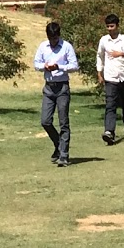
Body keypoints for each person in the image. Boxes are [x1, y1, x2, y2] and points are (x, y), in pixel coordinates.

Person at [35, 19, 79, 166]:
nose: (53, 42)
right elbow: (36, 63)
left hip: (62, 88)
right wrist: (44, 66)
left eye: (55, 38)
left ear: (58, 36)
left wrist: (59, 67)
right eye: (50, 38)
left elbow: (74, 66)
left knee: (63, 122)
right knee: (45, 121)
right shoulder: (43, 47)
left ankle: (64, 155)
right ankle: (58, 144)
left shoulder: (66, 47)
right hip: (48, 87)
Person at [96, 12, 124, 143]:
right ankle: (109, 132)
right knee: (110, 105)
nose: (110, 29)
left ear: (117, 26)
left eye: (112, 26)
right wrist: (99, 72)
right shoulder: (104, 40)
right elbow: (99, 56)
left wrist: (120, 53)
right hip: (110, 77)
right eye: (108, 26)